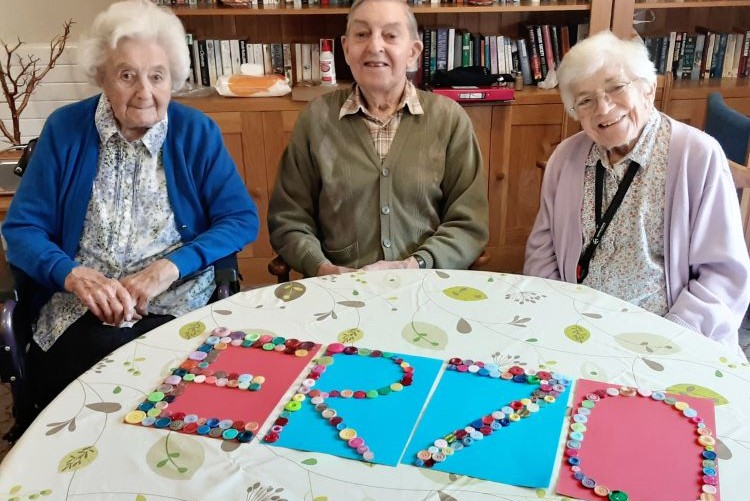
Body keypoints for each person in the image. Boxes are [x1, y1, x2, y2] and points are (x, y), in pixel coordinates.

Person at [2, 0, 259, 409]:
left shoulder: (196, 133)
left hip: (176, 306)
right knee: (93, 390)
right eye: (127, 76)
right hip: (79, 311)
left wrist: (169, 268)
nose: (145, 92)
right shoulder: (65, 130)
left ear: (172, 79)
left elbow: (240, 219)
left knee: (183, 393)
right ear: (101, 76)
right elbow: (21, 230)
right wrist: (72, 275)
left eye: (158, 76)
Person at [524, 30, 750, 352]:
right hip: (575, 330)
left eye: (616, 88)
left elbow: (724, 277)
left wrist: (669, 338)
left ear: (648, 88)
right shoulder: (566, 157)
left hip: (669, 339)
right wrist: (559, 314)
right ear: (575, 112)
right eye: (585, 100)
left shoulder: (696, 155)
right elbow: (541, 251)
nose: (603, 109)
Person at [268, 0, 488, 277]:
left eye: (390, 35)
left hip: (425, 284)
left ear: (413, 52)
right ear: (346, 49)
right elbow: (289, 218)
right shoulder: (316, 119)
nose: (374, 46)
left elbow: (469, 222)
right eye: (362, 34)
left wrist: (415, 265)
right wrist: (322, 267)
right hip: (339, 289)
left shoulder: (449, 119)